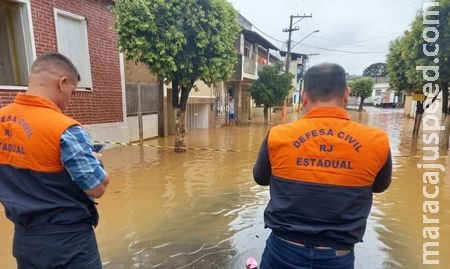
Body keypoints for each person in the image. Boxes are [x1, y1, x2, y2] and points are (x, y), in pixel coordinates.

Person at [253, 63, 392, 269]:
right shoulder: (377, 141)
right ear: (346, 94)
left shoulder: (278, 136)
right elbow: (379, 186)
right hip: (338, 256)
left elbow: (260, 178)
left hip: (283, 252)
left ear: (303, 96)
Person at [0, 52, 110, 269]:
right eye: (72, 92)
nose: (69, 100)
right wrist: (95, 161)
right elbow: (96, 187)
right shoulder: (65, 129)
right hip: (69, 244)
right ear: (62, 83)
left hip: (25, 240)